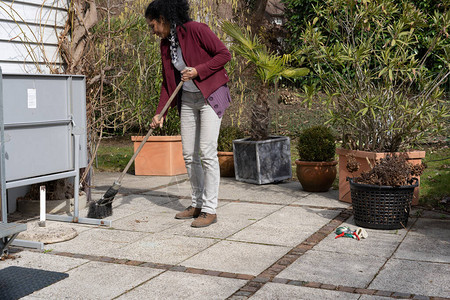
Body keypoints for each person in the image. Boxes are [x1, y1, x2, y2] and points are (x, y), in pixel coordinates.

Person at [145, 0, 232, 227]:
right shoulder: (166, 45)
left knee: (206, 152)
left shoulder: (196, 30)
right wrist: (160, 113)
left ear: (163, 18)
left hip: (210, 96)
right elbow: (168, 82)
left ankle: (210, 210)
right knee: (189, 155)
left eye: (152, 25)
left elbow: (224, 55)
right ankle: (197, 204)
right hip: (188, 100)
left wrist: (198, 70)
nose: (152, 31)